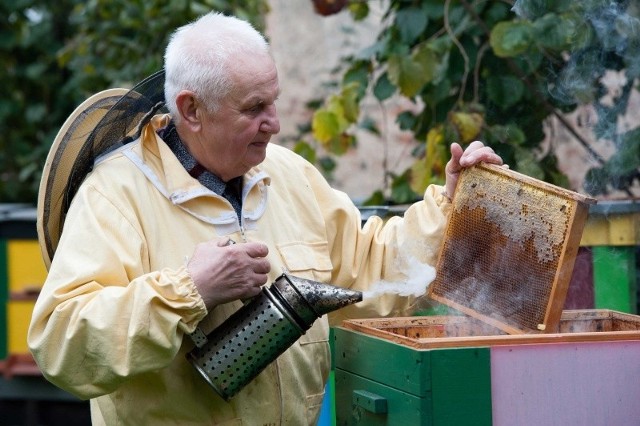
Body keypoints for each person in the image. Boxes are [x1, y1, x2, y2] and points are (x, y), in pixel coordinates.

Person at [28, 12, 503, 425]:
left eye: (273, 101)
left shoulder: (290, 175)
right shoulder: (116, 194)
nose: (274, 123)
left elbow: (370, 270)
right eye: (254, 108)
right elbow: (62, 342)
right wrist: (189, 289)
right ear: (192, 110)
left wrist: (452, 208)